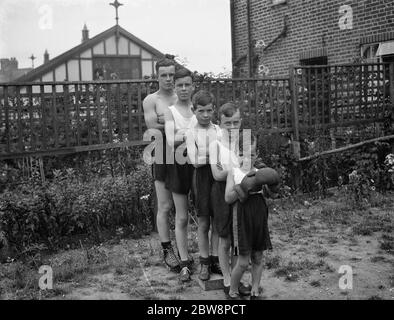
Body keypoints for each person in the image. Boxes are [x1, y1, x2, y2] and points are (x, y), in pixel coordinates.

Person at [224, 133, 278, 300]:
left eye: (251, 155)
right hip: (241, 219)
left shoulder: (260, 172)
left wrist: (272, 185)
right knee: (242, 260)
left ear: (257, 154)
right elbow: (227, 198)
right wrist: (244, 187)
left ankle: (255, 289)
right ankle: (232, 291)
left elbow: (269, 195)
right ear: (236, 153)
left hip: (259, 217)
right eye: (242, 154)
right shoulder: (233, 172)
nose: (247, 159)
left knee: (258, 256)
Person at [209, 102, 251, 297]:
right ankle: (226, 277)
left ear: (241, 122)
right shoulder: (215, 144)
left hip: (240, 192)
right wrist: (238, 168)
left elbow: (251, 165)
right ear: (220, 123)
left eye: (236, 123)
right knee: (225, 237)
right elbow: (217, 174)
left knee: (237, 238)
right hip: (221, 193)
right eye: (228, 123)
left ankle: (236, 277)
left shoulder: (244, 141)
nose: (233, 127)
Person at [142, 55, 179, 272]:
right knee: (164, 205)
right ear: (157, 76)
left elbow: (192, 125)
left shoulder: (183, 96)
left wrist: (166, 119)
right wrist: (175, 120)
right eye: (163, 75)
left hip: (185, 153)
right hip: (163, 153)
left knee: (185, 207)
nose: (168, 79)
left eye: (171, 75)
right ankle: (167, 250)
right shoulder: (151, 100)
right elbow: (153, 128)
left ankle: (185, 251)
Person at [164, 68, 197, 282]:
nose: (184, 88)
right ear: (175, 88)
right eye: (180, 85)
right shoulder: (170, 111)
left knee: (205, 215)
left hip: (200, 165)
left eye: (187, 84)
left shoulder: (198, 108)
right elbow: (169, 139)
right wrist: (193, 133)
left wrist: (182, 134)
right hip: (178, 164)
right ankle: (184, 262)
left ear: (193, 86)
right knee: (182, 216)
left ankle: (208, 259)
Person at [185, 90, 221, 281]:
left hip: (218, 177)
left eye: (209, 110)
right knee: (204, 222)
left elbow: (225, 155)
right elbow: (195, 161)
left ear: (213, 109)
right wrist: (213, 156)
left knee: (217, 220)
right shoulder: (191, 133)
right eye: (201, 111)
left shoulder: (218, 130)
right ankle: (204, 263)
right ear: (194, 110)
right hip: (201, 179)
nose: (205, 115)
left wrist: (207, 156)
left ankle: (216, 259)